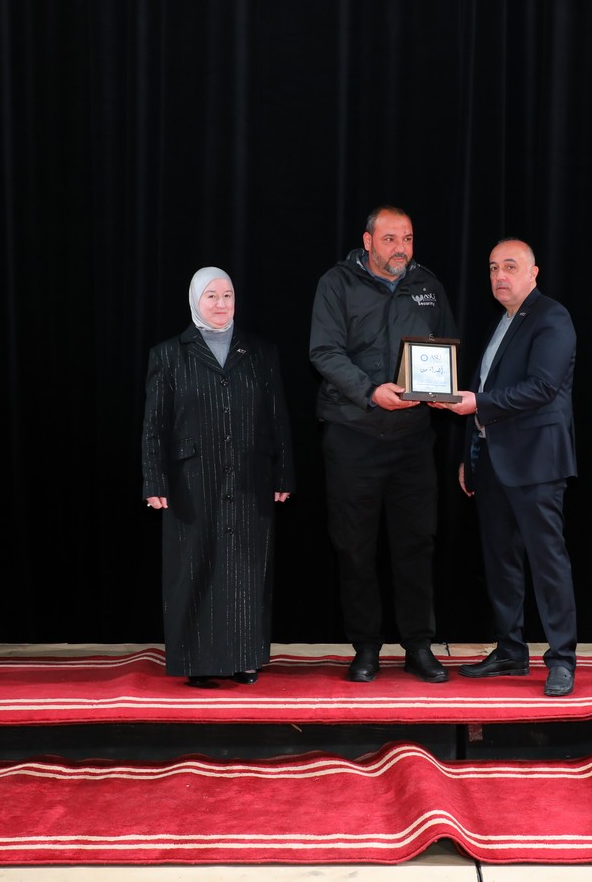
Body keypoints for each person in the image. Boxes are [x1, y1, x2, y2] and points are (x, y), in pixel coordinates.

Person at [309, 206, 457, 684]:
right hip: (354, 436)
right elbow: (324, 351)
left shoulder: (428, 285)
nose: (401, 248)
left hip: (412, 441)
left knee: (417, 543)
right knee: (355, 547)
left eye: (408, 238)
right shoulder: (336, 283)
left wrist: (440, 388)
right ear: (368, 241)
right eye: (390, 238)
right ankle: (366, 647)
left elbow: (447, 345)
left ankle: (419, 646)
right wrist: (370, 391)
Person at [432, 238, 578, 696]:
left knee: (547, 562)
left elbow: (542, 388)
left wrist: (477, 403)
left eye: (510, 266)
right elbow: (483, 393)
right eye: (494, 267)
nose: (499, 276)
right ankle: (511, 650)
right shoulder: (503, 322)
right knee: (501, 563)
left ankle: (562, 659)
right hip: (492, 461)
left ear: (534, 273)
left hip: (536, 462)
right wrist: (469, 455)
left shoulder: (551, 317)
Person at [142, 266, 294, 688]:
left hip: (250, 477)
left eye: (227, 295)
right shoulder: (169, 354)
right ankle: (198, 661)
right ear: (196, 300)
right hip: (191, 480)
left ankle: (245, 658)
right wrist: (154, 480)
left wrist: (284, 472)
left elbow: (278, 417)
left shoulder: (260, 352)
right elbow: (154, 426)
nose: (221, 303)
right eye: (212, 296)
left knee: (246, 567)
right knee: (195, 565)